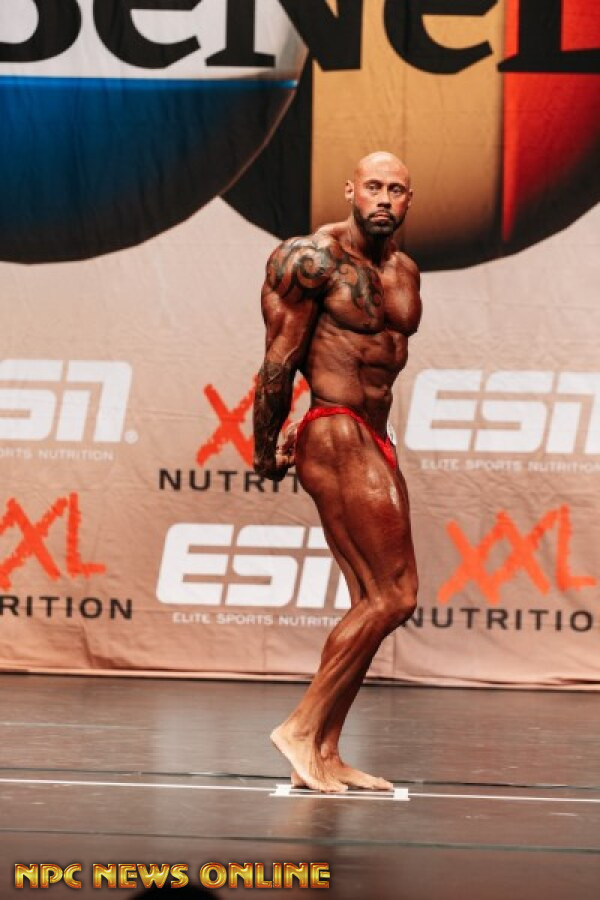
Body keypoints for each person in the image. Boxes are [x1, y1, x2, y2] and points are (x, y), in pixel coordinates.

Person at [252, 151, 422, 793]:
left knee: (372, 600)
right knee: (395, 595)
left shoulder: (405, 271)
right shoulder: (310, 260)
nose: (384, 198)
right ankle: (300, 729)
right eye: (373, 186)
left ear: (408, 201)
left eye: (396, 190)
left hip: (374, 434)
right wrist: (264, 447)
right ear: (351, 190)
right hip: (334, 424)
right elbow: (278, 361)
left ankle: (322, 750)